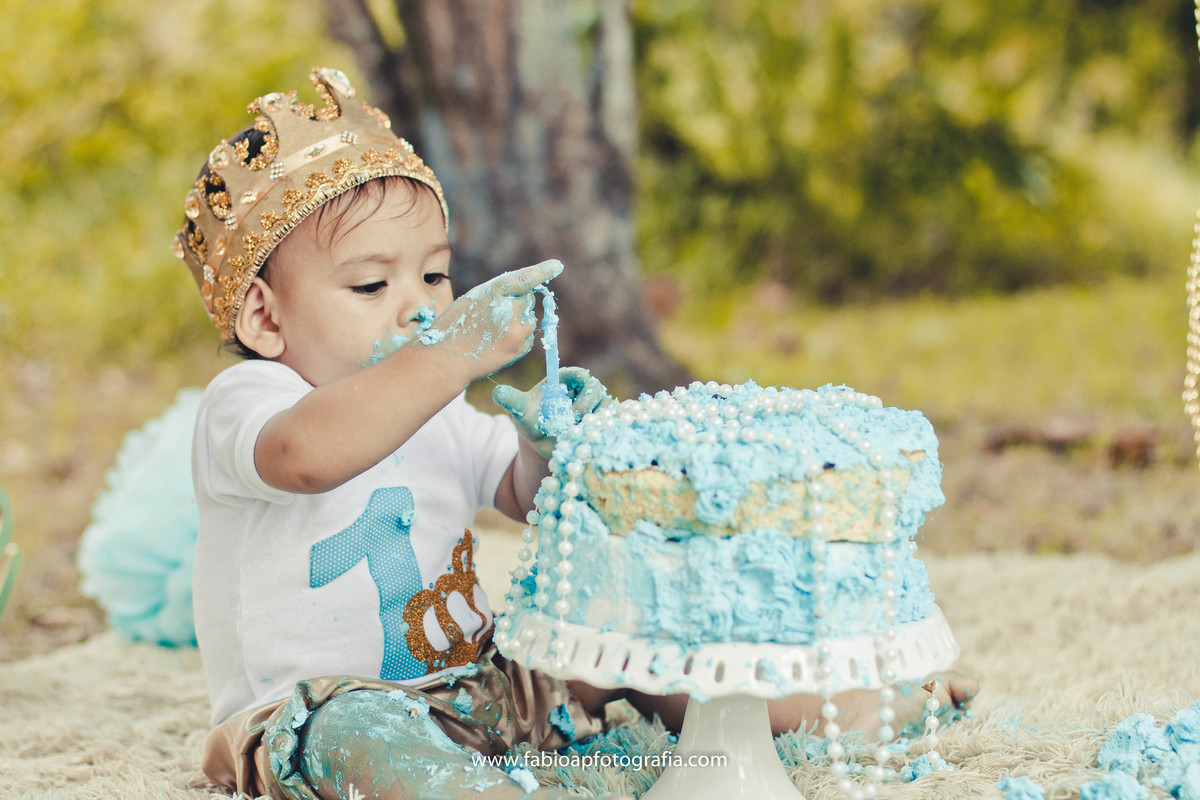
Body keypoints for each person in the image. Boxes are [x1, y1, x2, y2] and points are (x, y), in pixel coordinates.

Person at [180, 68, 974, 800]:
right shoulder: (250, 401)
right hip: (312, 711)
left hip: (481, 685)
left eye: (433, 275)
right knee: (357, 735)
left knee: (624, 648)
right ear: (264, 316)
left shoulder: (438, 411)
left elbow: (528, 500)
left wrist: (547, 446)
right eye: (369, 283)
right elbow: (307, 458)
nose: (419, 307)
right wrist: (452, 353)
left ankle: (834, 707)